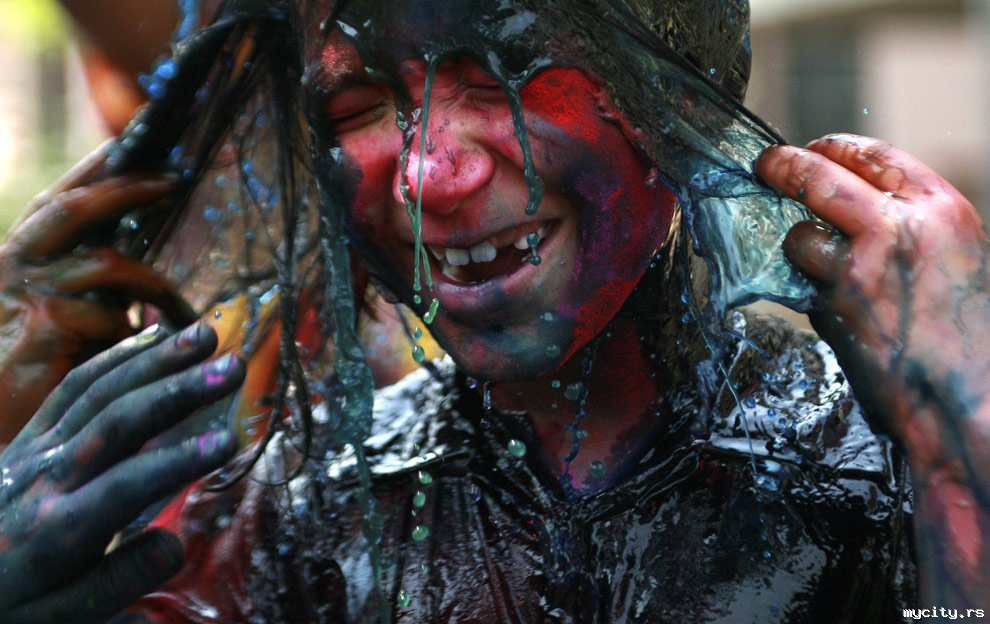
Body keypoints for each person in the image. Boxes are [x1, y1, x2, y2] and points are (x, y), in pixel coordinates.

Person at [0, 0, 987, 622]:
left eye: (507, 77)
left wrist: (959, 457)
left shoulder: (875, 469)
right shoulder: (307, 513)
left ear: (680, 95)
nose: (429, 175)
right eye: (354, 110)